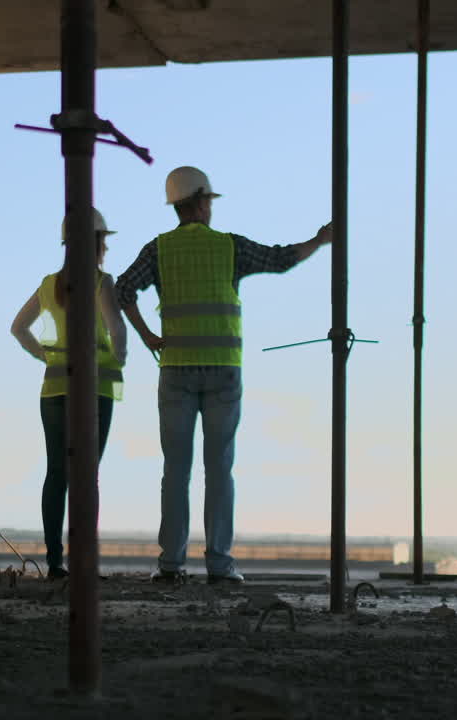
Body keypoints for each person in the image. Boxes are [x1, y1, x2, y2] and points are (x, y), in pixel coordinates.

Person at [115, 166, 332, 584]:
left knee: (175, 471)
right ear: (199, 202)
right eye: (209, 202)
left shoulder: (158, 250)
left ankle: (171, 567)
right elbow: (281, 258)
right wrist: (320, 240)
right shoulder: (229, 248)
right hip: (223, 374)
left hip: (175, 369)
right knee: (219, 470)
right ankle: (219, 565)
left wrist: (146, 336)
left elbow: (123, 290)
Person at [11, 208, 127, 580]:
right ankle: (83, 560)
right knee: (85, 475)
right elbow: (118, 331)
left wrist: (44, 354)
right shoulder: (100, 282)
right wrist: (117, 359)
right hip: (95, 389)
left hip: (54, 389)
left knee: (56, 473)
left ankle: (55, 561)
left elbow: (18, 328)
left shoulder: (49, 285)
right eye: (103, 241)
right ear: (94, 243)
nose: (105, 249)